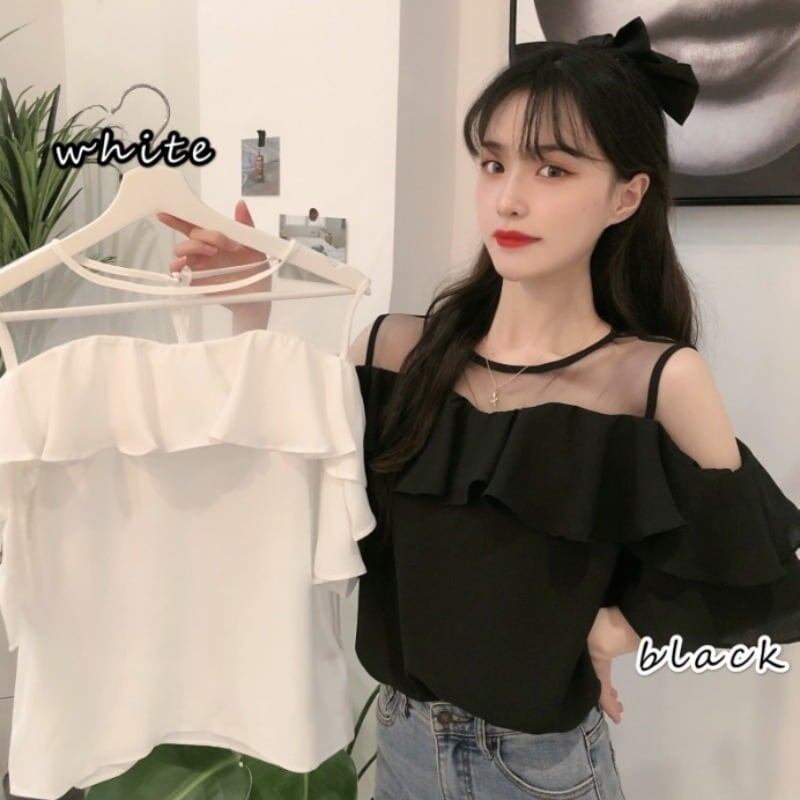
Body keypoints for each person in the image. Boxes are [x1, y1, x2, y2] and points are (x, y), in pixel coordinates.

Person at [157, 17, 800, 800]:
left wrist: (617, 628)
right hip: (400, 751)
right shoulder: (393, 351)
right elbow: (281, 492)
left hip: (540, 772)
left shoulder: (655, 379)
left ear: (626, 196)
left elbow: (752, 567)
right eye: (493, 164)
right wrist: (252, 311)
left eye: (552, 169)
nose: (510, 199)